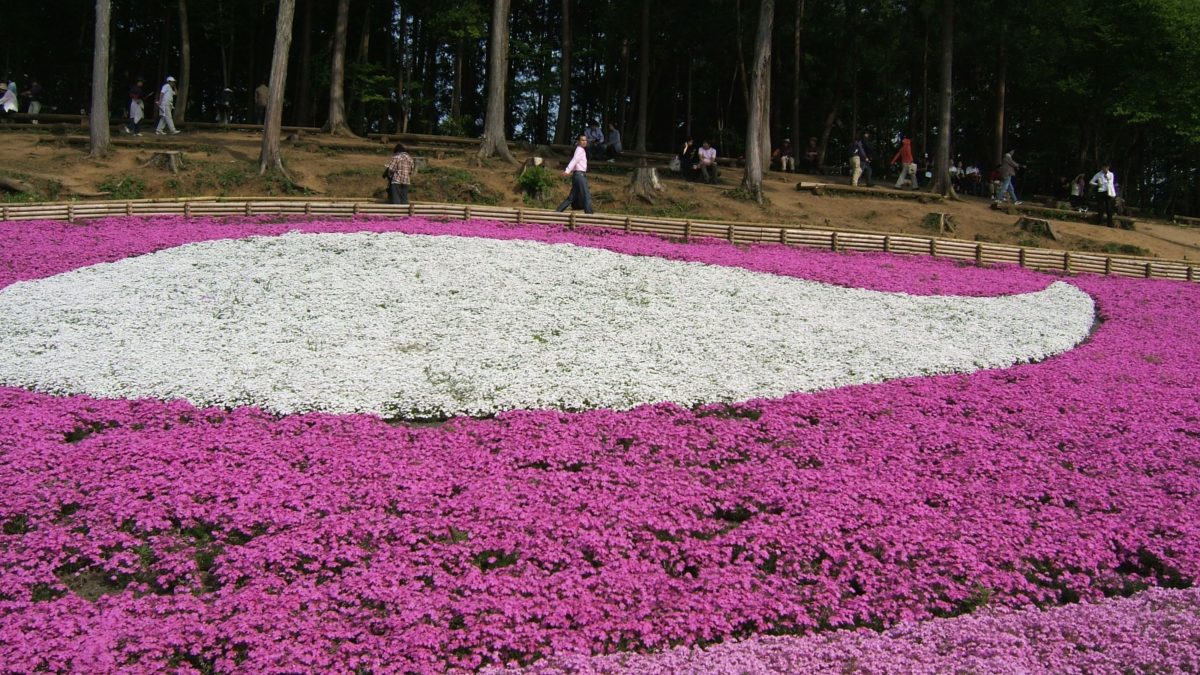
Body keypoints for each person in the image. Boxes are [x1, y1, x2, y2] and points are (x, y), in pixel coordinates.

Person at [556, 134, 594, 214]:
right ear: (578, 142)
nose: (584, 142)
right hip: (580, 175)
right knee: (586, 195)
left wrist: (569, 170)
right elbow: (574, 160)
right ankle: (589, 215)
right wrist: (567, 170)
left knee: (572, 196)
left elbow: (576, 162)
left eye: (585, 140)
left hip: (577, 175)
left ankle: (558, 211)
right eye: (582, 140)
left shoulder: (580, 150)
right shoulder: (580, 150)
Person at [1090, 162, 1117, 226]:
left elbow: (1110, 181)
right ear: (1102, 167)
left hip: (1108, 192)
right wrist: (1097, 184)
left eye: (1106, 167)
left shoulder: (1111, 174)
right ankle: (1099, 222)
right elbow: (1091, 182)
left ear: (1108, 168)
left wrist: (1106, 175)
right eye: (1104, 167)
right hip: (1101, 191)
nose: (1105, 168)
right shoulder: (1098, 174)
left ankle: (1110, 223)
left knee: (1109, 208)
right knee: (1100, 207)